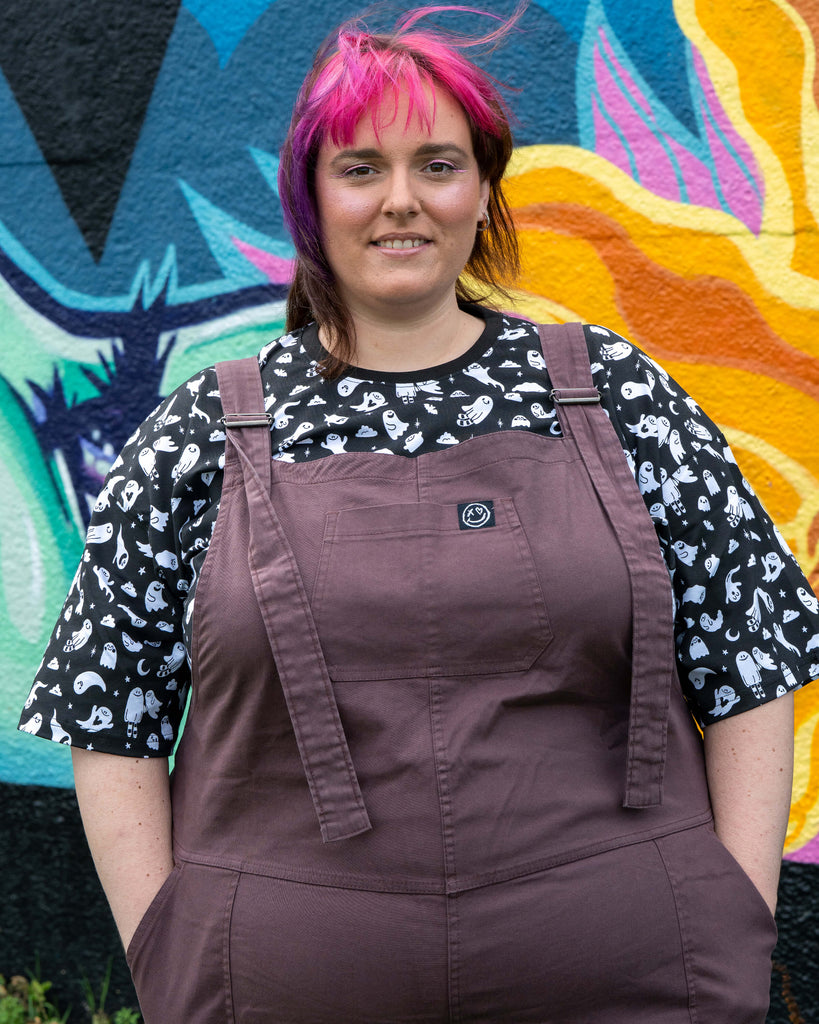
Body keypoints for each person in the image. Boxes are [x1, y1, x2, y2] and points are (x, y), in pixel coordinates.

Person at [19, 7, 819, 1022]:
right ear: (311, 194)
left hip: (636, 986)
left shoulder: (618, 396)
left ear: (482, 189)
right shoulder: (199, 434)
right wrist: (170, 953)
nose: (402, 202)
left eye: (437, 164)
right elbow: (108, 707)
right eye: (360, 168)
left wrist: (734, 922)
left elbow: (752, 657)